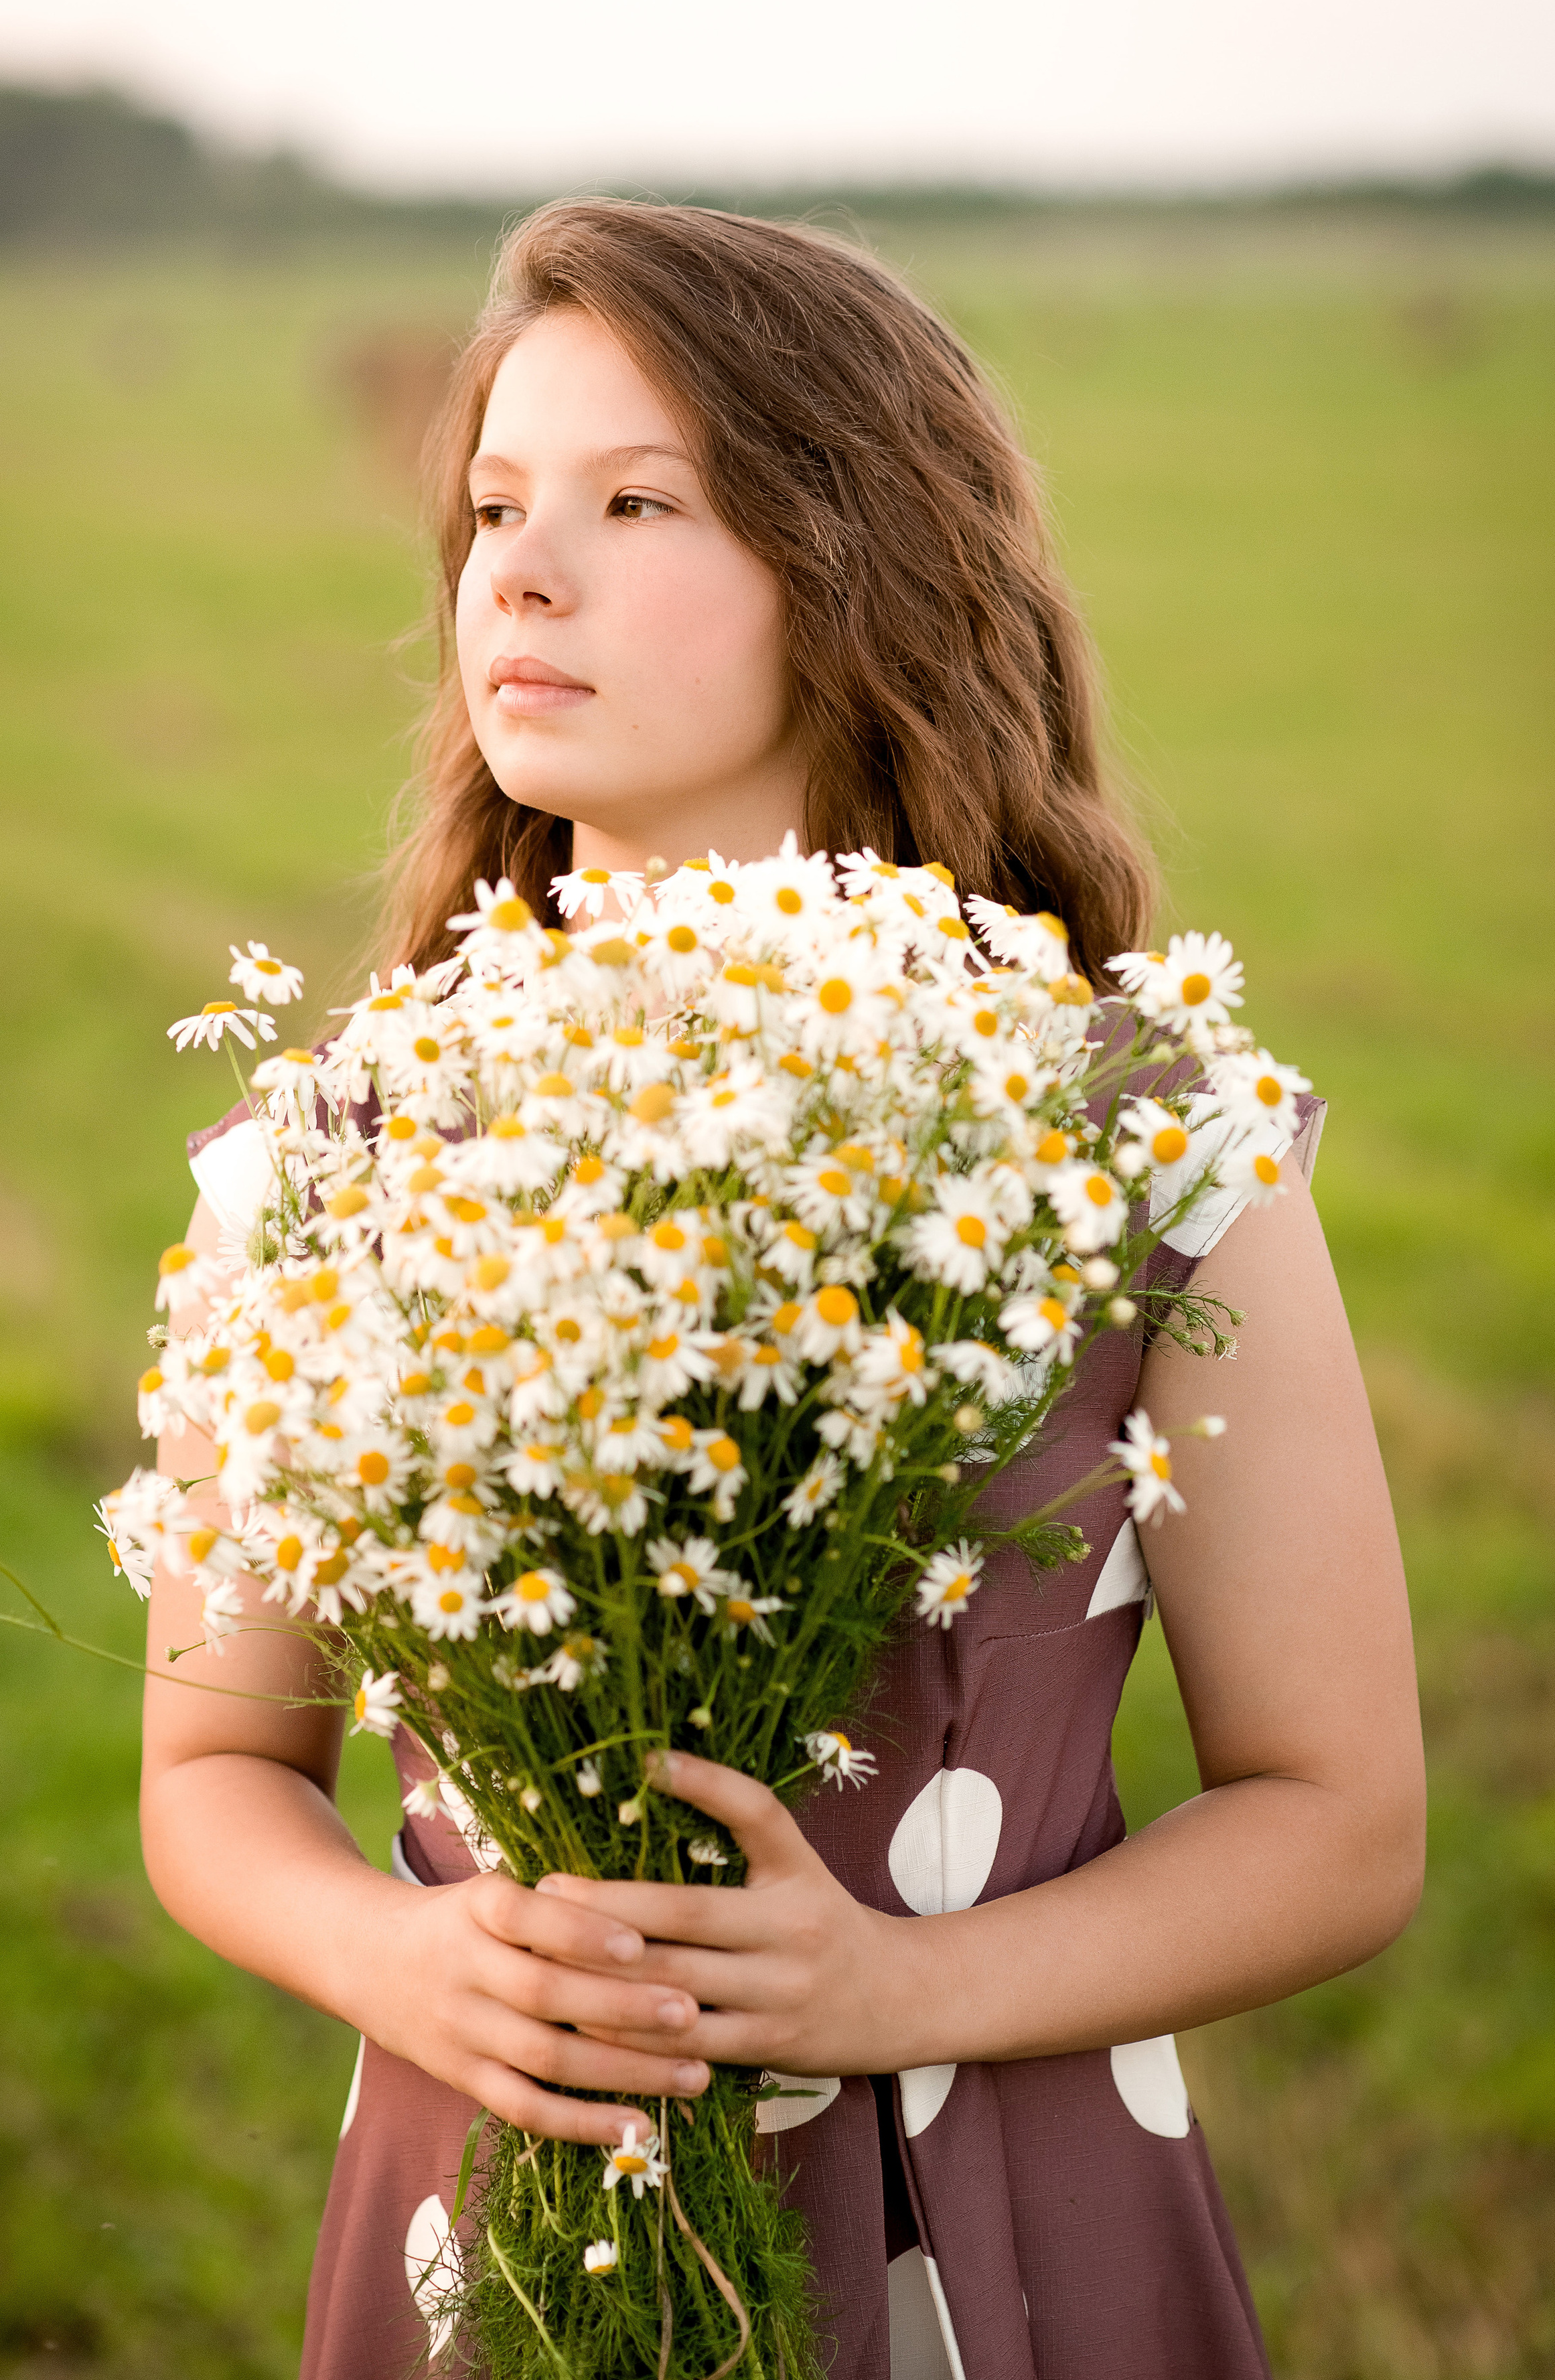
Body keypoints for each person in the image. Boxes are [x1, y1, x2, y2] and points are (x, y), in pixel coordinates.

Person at [142, 202, 1425, 2380]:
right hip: (502, 2206)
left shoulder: (1136, 1138)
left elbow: (1342, 1817)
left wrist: (894, 1992)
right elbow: (213, 1775)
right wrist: (410, 1959)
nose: (518, 576)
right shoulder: (341, 1154)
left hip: (1000, 2218)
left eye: (637, 502)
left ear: (861, 572)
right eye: (492, 507)